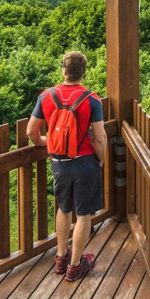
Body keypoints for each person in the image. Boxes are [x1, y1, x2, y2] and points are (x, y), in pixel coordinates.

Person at [26, 50, 107, 281]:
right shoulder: (92, 99)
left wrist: (45, 142)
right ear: (83, 72)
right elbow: (99, 137)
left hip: (59, 163)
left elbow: (31, 131)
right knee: (83, 215)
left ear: (63, 70)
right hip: (85, 163)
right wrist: (100, 159)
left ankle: (61, 257)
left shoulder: (46, 96)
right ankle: (75, 265)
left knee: (64, 208)